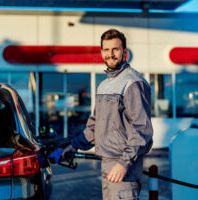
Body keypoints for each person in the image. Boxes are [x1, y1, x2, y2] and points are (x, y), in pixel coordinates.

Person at [62, 28, 153, 200]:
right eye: (106, 49)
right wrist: (74, 145)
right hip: (107, 164)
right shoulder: (104, 85)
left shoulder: (133, 83)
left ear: (125, 52)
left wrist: (124, 163)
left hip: (124, 168)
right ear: (101, 52)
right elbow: (96, 124)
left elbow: (142, 130)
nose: (110, 54)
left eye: (115, 49)